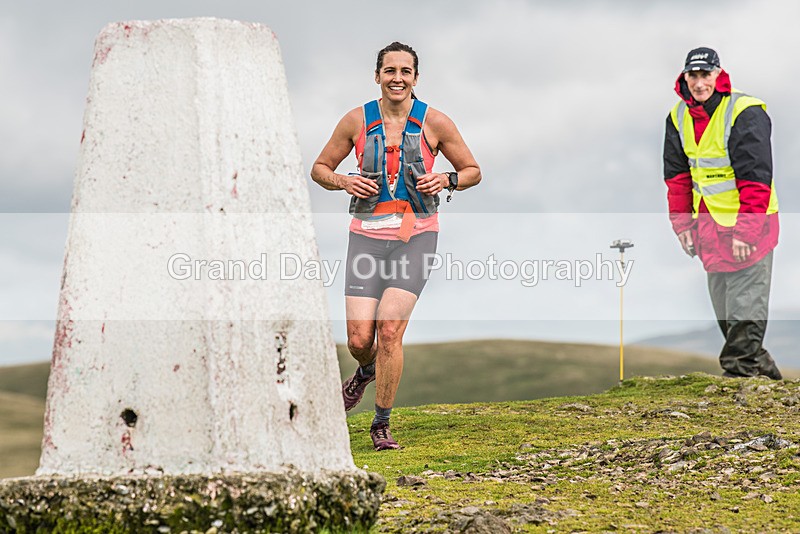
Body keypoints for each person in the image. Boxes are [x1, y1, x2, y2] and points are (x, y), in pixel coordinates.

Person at [311, 42, 481, 450]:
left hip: (416, 236)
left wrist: (447, 179)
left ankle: (381, 424)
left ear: (416, 78)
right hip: (366, 238)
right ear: (377, 76)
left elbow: (473, 171)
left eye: (406, 71)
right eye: (390, 70)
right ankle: (365, 371)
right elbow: (319, 169)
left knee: (389, 330)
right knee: (358, 340)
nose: (398, 78)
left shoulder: (435, 122)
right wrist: (344, 181)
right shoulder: (356, 120)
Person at [663, 46, 782, 380]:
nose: (699, 83)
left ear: (718, 74)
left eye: (706, 74)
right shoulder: (678, 117)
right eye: (693, 75)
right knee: (727, 315)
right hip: (710, 229)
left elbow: (756, 177)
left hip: (750, 227)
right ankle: (764, 375)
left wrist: (747, 231)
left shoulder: (745, 112)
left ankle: (738, 379)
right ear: (685, 77)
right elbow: (677, 178)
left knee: (745, 310)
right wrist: (682, 226)